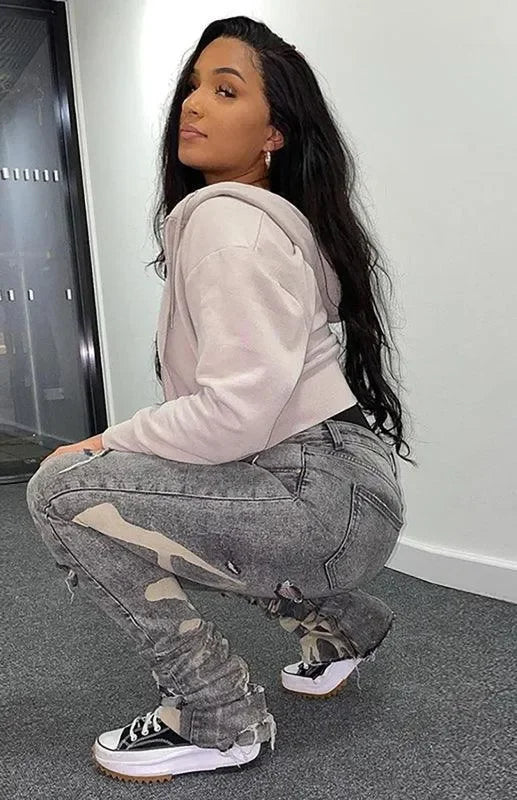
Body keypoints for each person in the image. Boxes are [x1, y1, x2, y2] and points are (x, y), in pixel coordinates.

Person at [26, 15, 414, 784]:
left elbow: (234, 413)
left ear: (273, 133)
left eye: (226, 90)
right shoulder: (258, 221)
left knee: (62, 491)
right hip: (343, 490)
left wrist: (104, 441)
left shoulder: (226, 223)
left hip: (315, 496)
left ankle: (215, 715)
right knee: (165, 501)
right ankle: (342, 622)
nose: (194, 104)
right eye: (194, 87)